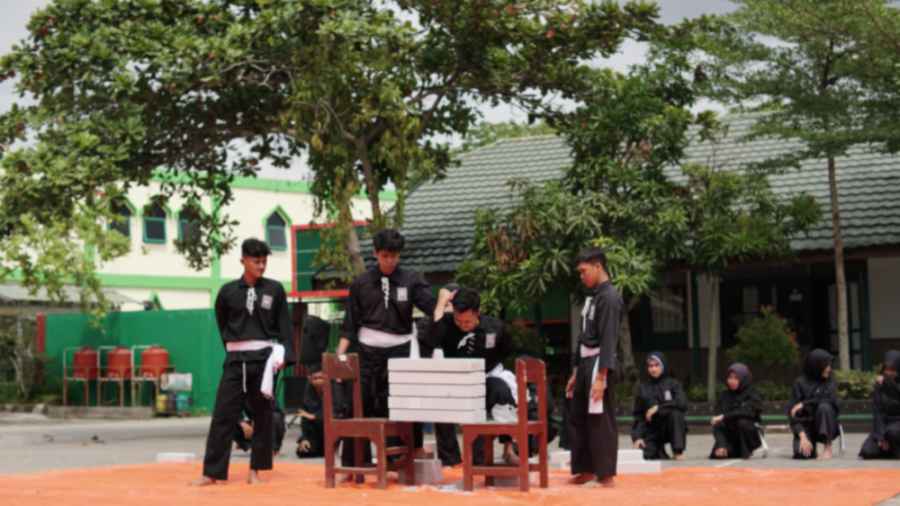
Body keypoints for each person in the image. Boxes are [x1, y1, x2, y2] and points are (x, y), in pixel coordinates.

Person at [335, 229, 452, 472]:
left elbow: (432, 308)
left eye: (394, 256)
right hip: (366, 351)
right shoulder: (361, 283)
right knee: (358, 403)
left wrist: (443, 301)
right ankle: (354, 463)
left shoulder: (411, 280)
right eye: (385, 256)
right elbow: (350, 325)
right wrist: (338, 358)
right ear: (376, 253)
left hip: (400, 350)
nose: (390, 261)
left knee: (398, 403)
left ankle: (398, 460)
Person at [193, 238, 295, 485]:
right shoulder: (227, 292)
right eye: (256, 261)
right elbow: (223, 326)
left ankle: (255, 471)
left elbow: (284, 327)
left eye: (264, 261)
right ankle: (212, 472)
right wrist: (234, 350)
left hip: (264, 361)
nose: (261, 266)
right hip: (236, 360)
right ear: (243, 261)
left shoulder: (275, 290)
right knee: (223, 414)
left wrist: (284, 356)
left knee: (263, 416)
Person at [424, 287, 516, 466]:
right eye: (459, 321)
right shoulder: (446, 324)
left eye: (468, 321)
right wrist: (441, 305)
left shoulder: (495, 327)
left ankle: (495, 453)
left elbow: (507, 352)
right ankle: (450, 460)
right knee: (438, 399)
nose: (463, 325)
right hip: (456, 381)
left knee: (501, 391)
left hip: (485, 378)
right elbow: (429, 340)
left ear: (477, 312)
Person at [566, 247, 623, 487]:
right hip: (585, 363)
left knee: (600, 419)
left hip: (600, 363)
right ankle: (586, 469)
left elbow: (609, 339)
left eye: (584, 271)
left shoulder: (609, 297)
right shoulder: (593, 296)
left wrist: (601, 377)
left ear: (598, 266)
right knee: (579, 416)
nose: (582, 276)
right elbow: (582, 336)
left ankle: (606, 474)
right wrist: (575, 371)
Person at [630, 352, 688, 460]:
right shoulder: (643, 388)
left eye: (657, 365)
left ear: (663, 366)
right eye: (650, 366)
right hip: (652, 429)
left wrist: (659, 408)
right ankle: (659, 450)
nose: (653, 369)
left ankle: (677, 451)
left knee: (676, 413)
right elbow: (638, 416)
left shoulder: (673, 384)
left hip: (670, 427)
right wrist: (637, 437)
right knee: (645, 454)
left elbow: (682, 403)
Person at [787, 348, 840, 460]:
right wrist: (802, 436)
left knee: (825, 406)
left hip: (825, 422)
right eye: (826, 366)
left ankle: (827, 447)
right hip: (806, 425)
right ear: (816, 366)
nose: (829, 369)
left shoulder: (830, 379)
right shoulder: (799, 383)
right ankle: (811, 447)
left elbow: (830, 399)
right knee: (802, 454)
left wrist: (804, 404)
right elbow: (792, 413)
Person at [709, 363, 763, 459]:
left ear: (743, 379)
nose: (732, 381)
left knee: (742, 422)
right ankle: (722, 447)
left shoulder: (752, 393)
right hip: (730, 434)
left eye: (736, 378)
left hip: (748, 432)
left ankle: (746, 450)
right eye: (730, 378)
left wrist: (725, 416)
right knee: (717, 424)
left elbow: (748, 412)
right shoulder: (724, 395)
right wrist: (719, 418)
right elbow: (718, 414)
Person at [859, 350, 900, 459]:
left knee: (892, 432)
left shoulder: (886, 382)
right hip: (885, 424)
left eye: (892, 370)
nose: (888, 373)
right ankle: (891, 449)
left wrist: (889, 383)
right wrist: (881, 437)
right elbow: (877, 412)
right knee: (867, 451)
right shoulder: (880, 385)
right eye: (887, 369)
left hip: (897, 425)